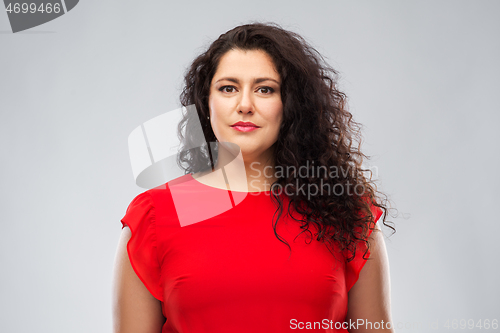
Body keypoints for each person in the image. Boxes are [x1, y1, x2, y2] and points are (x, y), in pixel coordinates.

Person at [112, 22, 396, 333]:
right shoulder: (154, 216)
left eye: (265, 89)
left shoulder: (348, 214)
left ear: (290, 106)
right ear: (206, 104)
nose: (244, 105)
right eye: (228, 88)